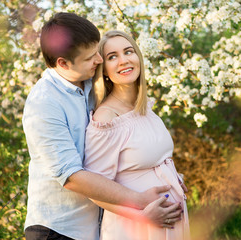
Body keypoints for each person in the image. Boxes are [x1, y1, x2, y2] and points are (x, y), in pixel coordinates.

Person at [22, 13, 182, 240]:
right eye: (90, 58)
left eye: (98, 53)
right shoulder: (44, 103)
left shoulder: (87, 82)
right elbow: (71, 177)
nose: (98, 60)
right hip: (58, 230)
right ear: (63, 63)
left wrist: (168, 178)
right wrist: (139, 201)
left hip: (94, 228)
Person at [84, 30, 190, 240]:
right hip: (135, 228)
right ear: (104, 69)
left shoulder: (144, 108)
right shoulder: (107, 118)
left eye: (128, 52)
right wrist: (142, 216)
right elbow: (94, 189)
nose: (123, 61)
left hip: (167, 225)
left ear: (138, 58)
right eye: (112, 57)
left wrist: (172, 176)